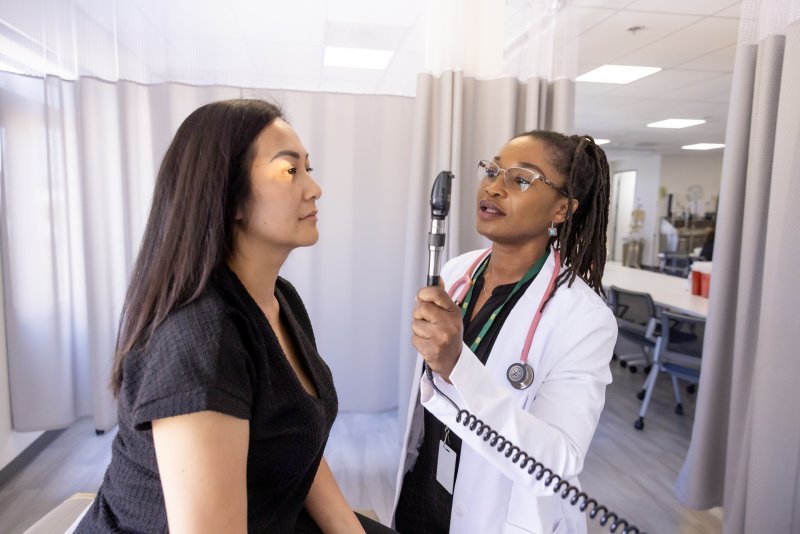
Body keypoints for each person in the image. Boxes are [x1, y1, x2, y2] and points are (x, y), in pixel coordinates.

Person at [77, 99, 391, 533]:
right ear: (229, 198)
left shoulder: (281, 300)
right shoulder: (200, 338)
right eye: (290, 170)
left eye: (309, 168)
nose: (315, 188)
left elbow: (294, 436)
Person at [393, 131, 618, 533]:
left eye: (520, 179)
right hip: (423, 489)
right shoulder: (456, 273)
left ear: (562, 209)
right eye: (492, 170)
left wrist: (457, 366)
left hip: (496, 515)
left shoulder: (584, 318)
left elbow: (556, 463)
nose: (494, 187)